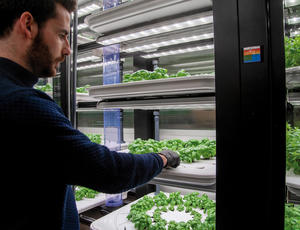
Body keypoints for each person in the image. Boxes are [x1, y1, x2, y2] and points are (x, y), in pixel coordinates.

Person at [0, 1, 180, 229]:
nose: (67, 49)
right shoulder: (23, 103)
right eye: (61, 35)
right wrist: (161, 158)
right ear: (28, 25)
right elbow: (110, 171)